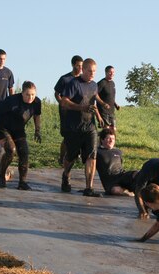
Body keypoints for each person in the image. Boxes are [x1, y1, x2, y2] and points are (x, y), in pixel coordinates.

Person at [0, 81, 41, 190]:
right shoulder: (12, 100)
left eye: (33, 94)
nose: (30, 97)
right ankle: (1, 175)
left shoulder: (37, 102)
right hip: (2, 127)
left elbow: (37, 116)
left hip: (18, 129)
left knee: (24, 152)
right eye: (27, 94)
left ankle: (22, 182)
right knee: (11, 149)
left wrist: (37, 130)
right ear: (22, 93)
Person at [59, 58, 103, 197]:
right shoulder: (74, 84)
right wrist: (81, 107)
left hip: (90, 127)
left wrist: (99, 116)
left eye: (94, 71)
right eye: (89, 70)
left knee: (92, 156)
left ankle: (89, 188)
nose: (92, 73)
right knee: (71, 157)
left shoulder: (94, 85)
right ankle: (66, 175)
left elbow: (93, 102)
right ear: (83, 69)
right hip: (74, 127)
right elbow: (64, 102)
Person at [54, 55, 83, 165]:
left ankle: (77, 155)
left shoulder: (82, 79)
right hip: (66, 111)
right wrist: (62, 103)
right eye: (78, 66)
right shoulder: (64, 79)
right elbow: (57, 93)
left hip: (78, 111)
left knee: (79, 134)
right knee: (67, 135)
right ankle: (62, 158)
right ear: (73, 65)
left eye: (82, 66)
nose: (80, 68)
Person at [96, 128, 136, 196]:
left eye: (113, 139)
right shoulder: (97, 152)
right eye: (109, 138)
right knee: (115, 190)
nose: (111, 141)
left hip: (121, 176)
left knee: (136, 173)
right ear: (102, 140)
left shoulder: (118, 151)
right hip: (110, 181)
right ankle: (131, 193)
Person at [97, 65, 120, 133]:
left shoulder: (112, 83)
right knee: (106, 129)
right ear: (106, 72)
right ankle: (99, 140)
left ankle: (98, 136)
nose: (112, 73)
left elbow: (111, 96)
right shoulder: (101, 83)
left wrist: (116, 105)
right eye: (110, 72)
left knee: (113, 129)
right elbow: (95, 94)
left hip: (111, 111)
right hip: (103, 110)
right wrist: (103, 103)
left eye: (113, 72)